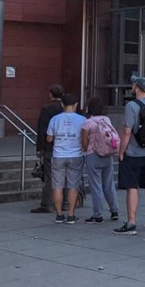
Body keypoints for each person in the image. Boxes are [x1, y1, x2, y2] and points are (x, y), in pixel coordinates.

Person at [115, 76, 145, 235]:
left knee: (132, 187)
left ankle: (131, 222)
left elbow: (127, 132)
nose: (132, 85)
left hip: (134, 152)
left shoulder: (131, 106)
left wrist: (121, 151)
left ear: (138, 88)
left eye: (134, 84)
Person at [46, 93, 87, 224]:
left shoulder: (55, 119)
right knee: (73, 186)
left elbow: (49, 138)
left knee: (57, 186)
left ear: (62, 104)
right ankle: (71, 215)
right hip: (76, 155)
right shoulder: (82, 119)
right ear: (76, 104)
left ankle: (59, 214)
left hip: (58, 155)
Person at [80, 97, 119, 223]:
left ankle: (97, 214)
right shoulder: (106, 119)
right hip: (107, 155)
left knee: (96, 186)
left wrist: (85, 149)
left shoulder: (88, 123)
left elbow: (84, 143)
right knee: (109, 184)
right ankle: (114, 210)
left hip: (93, 155)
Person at [32, 84, 64, 213]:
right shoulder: (66, 108)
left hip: (50, 147)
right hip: (65, 147)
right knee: (65, 176)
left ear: (51, 94)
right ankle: (66, 202)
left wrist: (40, 148)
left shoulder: (47, 109)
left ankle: (46, 203)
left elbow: (42, 129)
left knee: (49, 176)